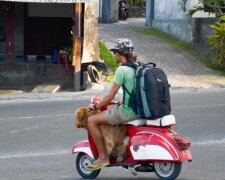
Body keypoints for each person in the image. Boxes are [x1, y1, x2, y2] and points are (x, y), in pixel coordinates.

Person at [87, 38, 140, 170]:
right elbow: (134, 90)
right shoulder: (137, 66)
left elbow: (110, 96)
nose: (114, 55)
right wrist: (124, 100)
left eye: (115, 52)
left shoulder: (122, 70)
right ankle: (119, 152)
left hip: (128, 112)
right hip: (138, 109)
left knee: (92, 120)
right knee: (114, 110)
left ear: (120, 53)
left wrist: (95, 106)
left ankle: (103, 158)